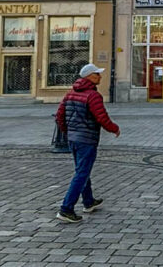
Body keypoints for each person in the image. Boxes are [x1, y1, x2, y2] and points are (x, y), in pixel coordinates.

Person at [54, 63, 120, 224]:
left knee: (82, 170)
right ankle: (66, 208)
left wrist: (67, 132)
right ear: (89, 76)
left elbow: (59, 116)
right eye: (97, 74)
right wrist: (114, 129)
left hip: (73, 139)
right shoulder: (93, 96)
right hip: (86, 139)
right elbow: (101, 117)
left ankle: (89, 201)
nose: (100, 76)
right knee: (81, 173)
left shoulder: (70, 94)